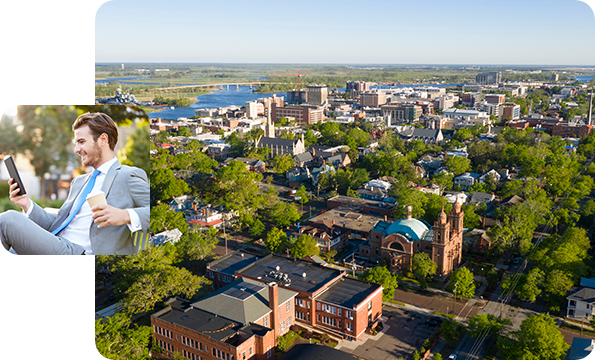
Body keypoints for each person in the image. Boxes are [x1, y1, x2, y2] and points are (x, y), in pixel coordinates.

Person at [0, 112, 149, 255]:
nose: (76, 150)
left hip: (81, 254)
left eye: (81, 142)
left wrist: (125, 215)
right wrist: (26, 203)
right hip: (58, 244)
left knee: (8, 220)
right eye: (76, 143)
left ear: (103, 140)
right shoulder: (80, 182)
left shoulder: (127, 175)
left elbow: (161, 209)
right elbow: (58, 223)